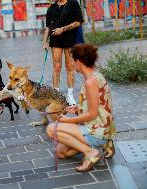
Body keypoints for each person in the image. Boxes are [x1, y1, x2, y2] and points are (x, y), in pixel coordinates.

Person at [46, 44, 116, 172]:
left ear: (78, 61)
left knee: (51, 129)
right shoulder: (94, 76)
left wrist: (67, 120)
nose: (72, 63)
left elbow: (93, 114)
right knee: (61, 153)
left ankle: (91, 152)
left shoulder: (90, 82)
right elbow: (97, 104)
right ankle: (105, 144)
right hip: (99, 128)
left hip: (95, 131)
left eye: (73, 60)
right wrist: (78, 108)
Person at [42, 0, 84, 106]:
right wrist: (44, 42)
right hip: (55, 39)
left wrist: (63, 29)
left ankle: (70, 96)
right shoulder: (52, 8)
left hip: (70, 39)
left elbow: (78, 22)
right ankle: (56, 96)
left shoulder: (73, 3)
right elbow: (48, 26)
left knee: (70, 67)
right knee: (56, 67)